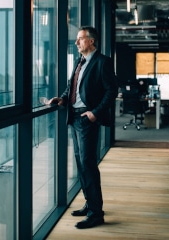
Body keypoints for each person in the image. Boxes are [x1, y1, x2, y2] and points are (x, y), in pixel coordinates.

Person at [48, 26, 118, 229]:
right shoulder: (80, 62)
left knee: (87, 164)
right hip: (74, 117)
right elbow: (72, 87)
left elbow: (112, 90)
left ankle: (96, 213)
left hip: (87, 119)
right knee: (81, 163)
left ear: (91, 41)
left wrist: (95, 112)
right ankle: (90, 204)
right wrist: (61, 98)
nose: (77, 42)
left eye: (80, 39)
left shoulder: (102, 62)